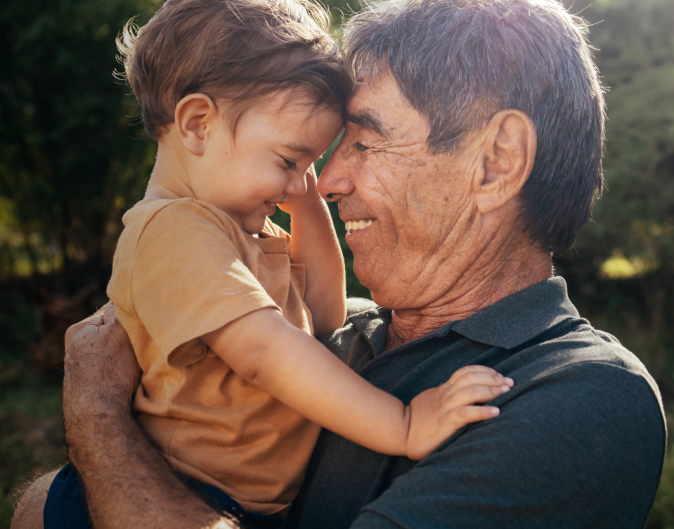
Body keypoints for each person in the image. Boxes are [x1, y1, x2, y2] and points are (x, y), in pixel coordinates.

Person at [11, 0, 667, 528]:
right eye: (311, 153)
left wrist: (96, 413)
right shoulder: (342, 334)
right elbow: (40, 506)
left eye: (365, 138)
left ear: (495, 162)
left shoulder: (584, 397)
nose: (324, 181)